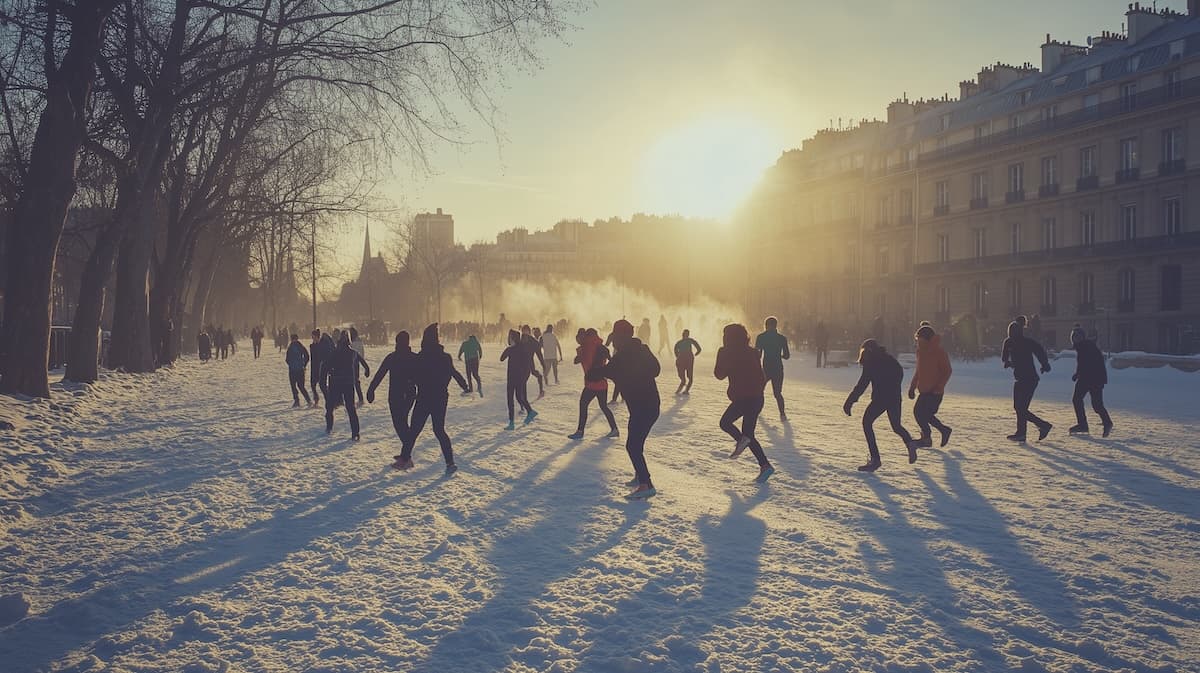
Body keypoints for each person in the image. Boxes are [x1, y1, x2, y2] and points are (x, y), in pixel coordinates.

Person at [588, 319, 661, 500]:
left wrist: (597, 366)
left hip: (643, 407)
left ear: (620, 337)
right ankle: (640, 475)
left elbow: (597, 373)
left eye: (615, 337)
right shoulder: (642, 349)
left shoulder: (622, 357)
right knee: (636, 442)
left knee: (633, 446)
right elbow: (656, 369)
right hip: (649, 405)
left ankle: (646, 484)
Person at [394, 324, 469, 474]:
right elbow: (453, 373)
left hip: (425, 397)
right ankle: (450, 462)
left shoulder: (421, 357)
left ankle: (404, 458)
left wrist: (409, 383)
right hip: (441, 398)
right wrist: (464, 385)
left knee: (414, 429)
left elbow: (413, 376)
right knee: (439, 430)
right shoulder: (445, 357)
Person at [843, 339, 917, 472]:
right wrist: (893, 387)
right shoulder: (890, 359)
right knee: (896, 426)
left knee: (867, 423)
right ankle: (910, 443)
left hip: (880, 399)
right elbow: (900, 373)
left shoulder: (870, 363)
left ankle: (875, 459)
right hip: (894, 398)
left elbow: (862, 385)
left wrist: (849, 402)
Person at [714, 323, 775, 483]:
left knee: (725, 423)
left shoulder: (726, 352)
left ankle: (743, 442)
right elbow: (761, 375)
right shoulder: (753, 352)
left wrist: (722, 356)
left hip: (743, 398)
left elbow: (719, 374)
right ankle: (765, 465)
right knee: (748, 435)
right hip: (757, 398)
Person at [367, 331, 418, 468]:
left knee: (400, 424)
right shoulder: (414, 357)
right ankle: (405, 454)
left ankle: (406, 457)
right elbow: (422, 376)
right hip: (409, 394)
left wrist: (371, 390)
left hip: (396, 395)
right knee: (402, 423)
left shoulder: (393, 357)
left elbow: (380, 374)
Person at [1001, 320, 1052, 442]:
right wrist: (1008, 362)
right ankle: (1022, 433)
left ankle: (1042, 426)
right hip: (1020, 378)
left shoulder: (1023, 342)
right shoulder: (1010, 342)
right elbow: (1004, 357)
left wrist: (1045, 364)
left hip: (1029, 379)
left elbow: (1039, 351)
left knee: (1021, 408)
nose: (1012, 334)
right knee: (1018, 407)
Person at [908, 323, 953, 448]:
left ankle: (930, 436)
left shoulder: (939, 352)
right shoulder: (920, 352)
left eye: (920, 340)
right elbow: (919, 371)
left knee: (923, 414)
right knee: (919, 413)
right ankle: (938, 433)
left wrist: (939, 387)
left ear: (927, 339)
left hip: (935, 392)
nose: (918, 342)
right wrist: (912, 387)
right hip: (923, 390)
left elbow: (947, 371)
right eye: (917, 340)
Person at [569, 328, 619, 440]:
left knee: (583, 404)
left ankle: (580, 431)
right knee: (604, 406)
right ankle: (614, 429)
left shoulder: (586, 348)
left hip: (591, 384)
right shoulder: (602, 348)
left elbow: (577, 360)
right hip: (602, 383)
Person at [321, 331, 370, 439]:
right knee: (351, 408)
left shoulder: (334, 353)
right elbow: (363, 362)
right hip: (348, 383)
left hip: (335, 383)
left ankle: (329, 427)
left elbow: (324, 367)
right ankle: (355, 432)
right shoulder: (352, 353)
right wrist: (367, 370)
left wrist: (323, 383)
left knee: (330, 407)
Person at [1068, 325, 1113, 437]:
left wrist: (1078, 375)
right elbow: (1085, 363)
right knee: (1097, 405)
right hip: (1096, 378)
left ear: (1082, 338)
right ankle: (1107, 422)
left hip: (1089, 378)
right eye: (1074, 337)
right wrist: (1077, 374)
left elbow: (1085, 364)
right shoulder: (1087, 346)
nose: (1075, 340)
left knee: (1077, 399)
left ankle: (1083, 425)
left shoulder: (1084, 347)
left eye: (1077, 337)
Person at [755, 316, 791, 420]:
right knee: (777, 393)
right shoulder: (782, 338)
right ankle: (782, 414)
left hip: (766, 369)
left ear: (766, 325)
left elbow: (758, 355)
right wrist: (779, 355)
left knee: (759, 390)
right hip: (778, 368)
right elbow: (787, 356)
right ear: (776, 325)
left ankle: (757, 410)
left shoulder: (761, 337)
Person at [501, 329, 536, 430]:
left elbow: (502, 358)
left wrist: (508, 348)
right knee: (519, 397)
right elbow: (527, 362)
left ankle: (511, 423)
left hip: (512, 377)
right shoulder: (523, 348)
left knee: (510, 399)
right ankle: (530, 411)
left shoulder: (510, 349)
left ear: (512, 338)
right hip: (521, 377)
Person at [285, 334, 312, 407]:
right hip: (300, 369)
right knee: (300, 386)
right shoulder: (300, 346)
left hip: (293, 370)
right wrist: (304, 364)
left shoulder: (290, 347)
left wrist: (291, 364)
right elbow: (307, 356)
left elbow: (287, 359)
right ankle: (308, 400)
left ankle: (297, 401)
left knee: (294, 386)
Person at [521, 324, 546, 400]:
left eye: (526, 331)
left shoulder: (533, 342)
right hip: (521, 363)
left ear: (529, 332)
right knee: (523, 381)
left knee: (527, 377)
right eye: (523, 331)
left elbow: (539, 354)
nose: (525, 333)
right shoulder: (520, 340)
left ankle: (541, 390)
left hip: (529, 362)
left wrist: (543, 364)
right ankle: (523, 399)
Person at [673, 329, 702, 395]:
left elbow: (675, 350)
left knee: (685, 377)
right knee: (688, 377)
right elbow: (699, 348)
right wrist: (696, 353)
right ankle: (684, 390)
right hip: (687, 359)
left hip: (684, 359)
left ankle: (683, 390)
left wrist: (678, 356)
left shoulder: (680, 342)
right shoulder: (687, 341)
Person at [349, 326, 367, 407]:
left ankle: (359, 399)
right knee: (356, 381)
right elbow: (362, 352)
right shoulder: (359, 341)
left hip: (352, 364)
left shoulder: (352, 343)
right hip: (356, 363)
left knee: (354, 382)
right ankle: (360, 398)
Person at [308, 329, 326, 405]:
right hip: (313, 367)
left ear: (317, 337)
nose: (312, 338)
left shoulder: (322, 346)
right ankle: (316, 399)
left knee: (322, 386)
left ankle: (328, 398)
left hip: (321, 367)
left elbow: (323, 357)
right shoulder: (312, 346)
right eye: (312, 337)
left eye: (314, 336)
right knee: (312, 385)